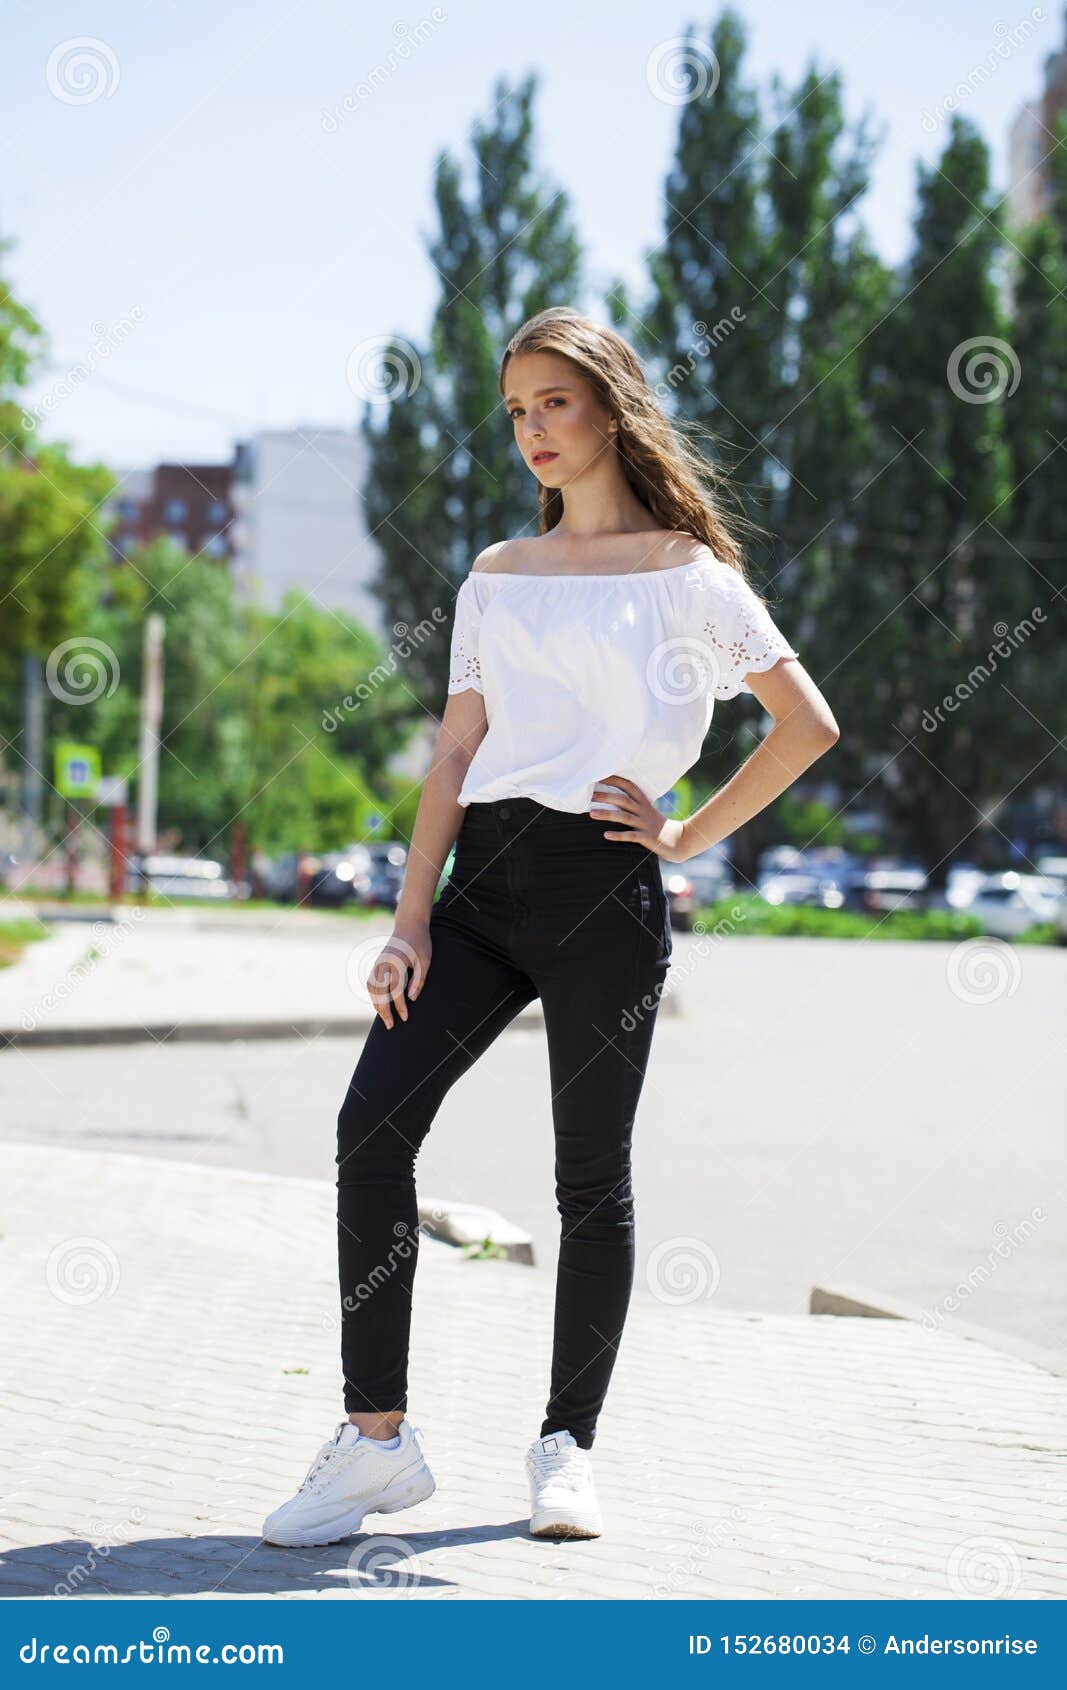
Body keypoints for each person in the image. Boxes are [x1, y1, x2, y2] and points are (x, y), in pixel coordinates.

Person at [262, 306, 839, 1549]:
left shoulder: (690, 576)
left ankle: (565, 1449)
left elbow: (805, 723)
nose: (530, 428)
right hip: (481, 889)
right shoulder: (494, 576)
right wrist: (408, 920)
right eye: (515, 409)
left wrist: (685, 835)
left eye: (552, 403)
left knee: (590, 1180)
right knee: (372, 1126)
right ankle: (376, 1445)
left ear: (609, 407)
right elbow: (455, 749)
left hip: (603, 894)